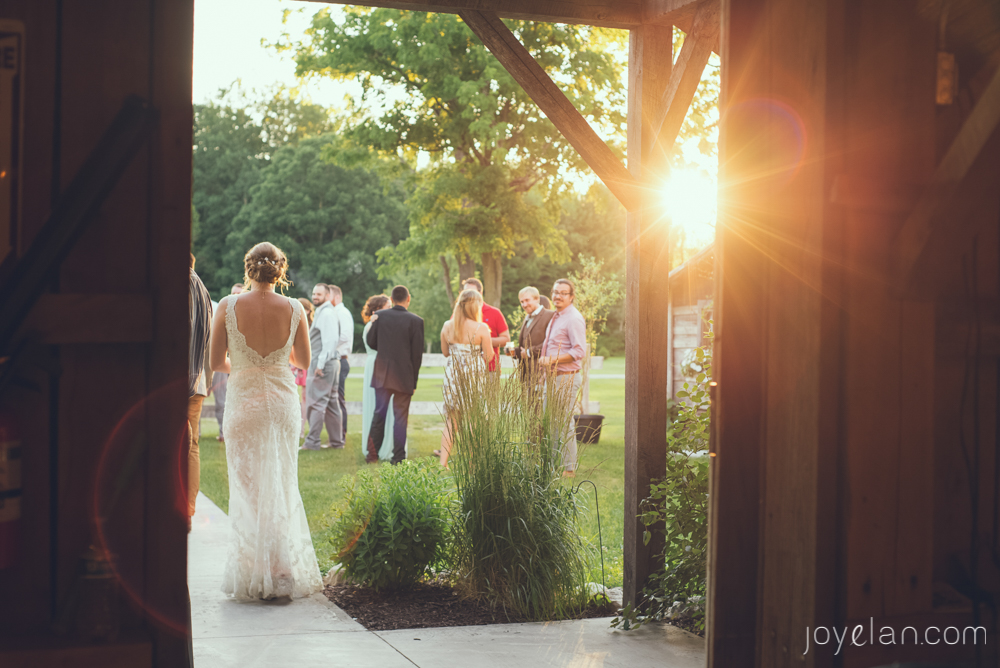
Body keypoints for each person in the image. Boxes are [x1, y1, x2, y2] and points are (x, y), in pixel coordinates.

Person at [209, 242, 321, 599]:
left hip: (243, 403)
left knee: (249, 489)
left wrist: (243, 366)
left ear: (248, 269)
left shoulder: (226, 306)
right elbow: (302, 362)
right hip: (282, 401)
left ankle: (256, 571)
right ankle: (282, 570)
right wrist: (273, 360)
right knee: (282, 483)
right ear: (280, 270)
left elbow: (215, 362)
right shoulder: (294, 308)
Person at [365, 285, 424, 465]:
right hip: (404, 376)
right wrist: (413, 381)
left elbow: (370, 342)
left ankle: (372, 455)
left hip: (382, 374)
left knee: (379, 415)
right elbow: (417, 355)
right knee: (400, 419)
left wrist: (384, 349)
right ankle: (398, 458)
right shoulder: (416, 321)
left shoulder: (380, 316)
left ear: (392, 298)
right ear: (408, 298)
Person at [438, 289, 493, 467]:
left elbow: (445, 352)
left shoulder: (448, 326)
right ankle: (471, 463)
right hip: (472, 377)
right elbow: (489, 356)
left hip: (452, 375)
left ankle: (443, 463)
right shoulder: (481, 328)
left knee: (451, 420)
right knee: (473, 420)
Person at [538, 278, 587, 477]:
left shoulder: (573, 318)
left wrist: (551, 360)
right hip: (552, 378)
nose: (558, 295)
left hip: (566, 378)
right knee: (550, 422)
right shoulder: (556, 316)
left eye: (563, 293)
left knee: (564, 423)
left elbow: (579, 351)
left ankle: (569, 469)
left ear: (572, 297)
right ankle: (553, 464)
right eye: (555, 292)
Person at [187, 254, 213, 528]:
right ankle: (187, 510)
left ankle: (179, 510)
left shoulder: (181, 285)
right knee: (191, 446)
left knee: (175, 444)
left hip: (182, 380)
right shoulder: (203, 289)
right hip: (199, 382)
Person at [303, 283, 344, 450]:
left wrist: (320, 364)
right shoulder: (325, 312)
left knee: (316, 403)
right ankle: (336, 442)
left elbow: (329, 341)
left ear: (328, 296)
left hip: (323, 364)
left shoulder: (326, 313)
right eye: (313, 293)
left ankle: (312, 442)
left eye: (319, 294)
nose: (315, 297)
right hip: (331, 362)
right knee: (332, 403)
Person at [360, 294, 400, 461]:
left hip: (376, 365)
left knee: (382, 408)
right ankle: (378, 449)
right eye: (388, 306)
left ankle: (378, 447)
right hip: (379, 366)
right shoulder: (374, 326)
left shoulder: (374, 324)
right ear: (377, 309)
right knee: (378, 408)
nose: (391, 309)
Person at [212, 282, 244, 441]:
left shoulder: (248, 313)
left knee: (224, 398)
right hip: (221, 360)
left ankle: (226, 432)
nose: (235, 296)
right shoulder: (223, 310)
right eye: (233, 293)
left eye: (239, 293)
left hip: (240, 364)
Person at [508, 286, 555, 382]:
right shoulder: (527, 318)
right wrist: (513, 351)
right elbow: (525, 347)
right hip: (526, 374)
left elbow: (552, 343)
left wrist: (529, 352)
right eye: (522, 302)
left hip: (541, 373)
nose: (524, 304)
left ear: (537, 299)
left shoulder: (550, 315)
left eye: (527, 300)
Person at [461, 278, 509, 372]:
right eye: (465, 292)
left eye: (471, 292)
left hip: (490, 369)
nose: (468, 296)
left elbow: (506, 339)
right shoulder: (458, 314)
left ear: (480, 293)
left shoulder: (495, 312)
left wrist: (483, 340)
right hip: (464, 369)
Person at [329, 285, 354, 442]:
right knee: (333, 400)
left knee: (338, 400)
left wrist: (326, 344)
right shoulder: (334, 313)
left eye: (328, 295)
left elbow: (344, 336)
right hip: (335, 360)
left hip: (340, 360)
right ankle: (336, 435)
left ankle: (341, 435)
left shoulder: (342, 313)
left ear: (337, 297)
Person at [294, 297, 316, 436]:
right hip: (294, 362)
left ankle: (302, 429)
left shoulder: (312, 326)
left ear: (308, 311)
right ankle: (295, 427)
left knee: (305, 397)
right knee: (292, 394)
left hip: (307, 362)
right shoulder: (292, 323)